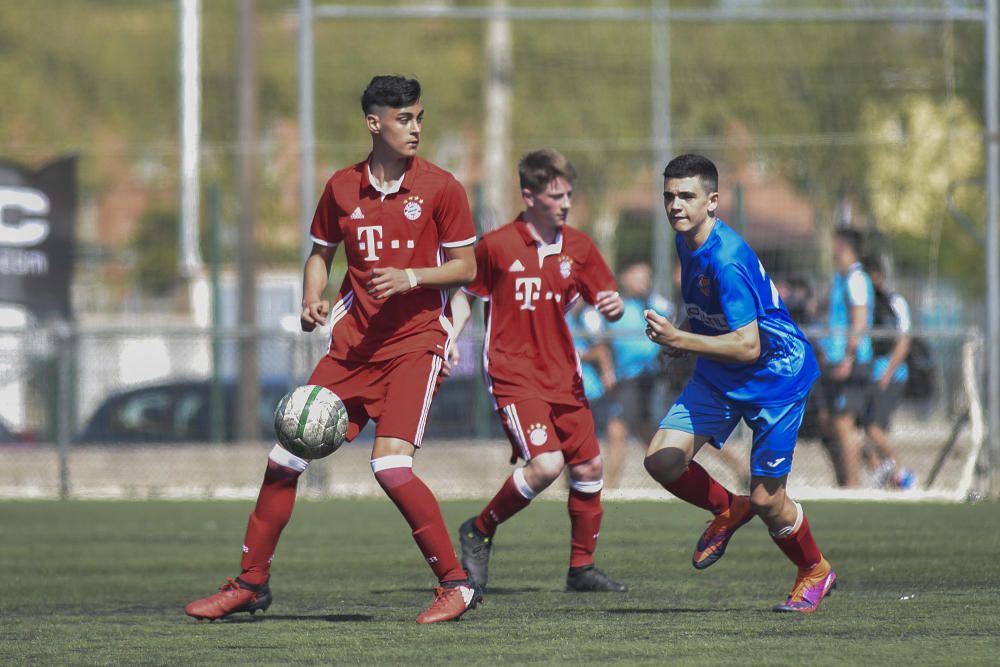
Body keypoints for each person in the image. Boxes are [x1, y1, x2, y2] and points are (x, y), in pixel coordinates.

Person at [185, 76, 482, 624]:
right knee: (284, 457)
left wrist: (414, 276)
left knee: (390, 465)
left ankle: (456, 585)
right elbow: (320, 253)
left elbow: (467, 266)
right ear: (374, 123)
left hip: (416, 344)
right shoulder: (342, 187)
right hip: (351, 350)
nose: (415, 128)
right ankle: (250, 583)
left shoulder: (442, 187)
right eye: (403, 119)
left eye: (419, 117)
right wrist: (310, 296)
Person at [642, 154, 836, 613]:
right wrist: (684, 331)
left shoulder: (726, 258)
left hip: (774, 377)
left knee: (770, 501)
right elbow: (703, 304)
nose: (675, 206)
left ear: (713, 201)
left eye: (686, 196)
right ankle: (729, 508)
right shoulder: (685, 239)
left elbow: (749, 345)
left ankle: (815, 569)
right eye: (669, 196)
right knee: (662, 461)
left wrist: (681, 338)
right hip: (721, 374)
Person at [448, 149, 628, 593]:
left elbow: (611, 301)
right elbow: (463, 294)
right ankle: (480, 529)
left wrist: (614, 305)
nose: (565, 203)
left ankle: (581, 569)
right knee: (546, 465)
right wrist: (449, 336)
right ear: (528, 196)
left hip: (563, 374)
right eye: (554, 195)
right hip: (514, 373)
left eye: (568, 194)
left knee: (588, 467)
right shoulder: (497, 245)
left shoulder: (580, 247)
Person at [600, 262, 675, 488]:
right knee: (649, 435)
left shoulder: (657, 305)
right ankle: (677, 477)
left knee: (617, 429)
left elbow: (675, 329)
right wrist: (607, 370)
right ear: (625, 278)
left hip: (649, 378)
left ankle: (609, 488)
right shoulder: (614, 307)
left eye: (647, 277)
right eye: (638, 276)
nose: (644, 282)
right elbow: (602, 343)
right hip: (628, 378)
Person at [818, 228, 875, 488]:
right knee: (830, 422)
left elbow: (859, 321)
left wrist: (848, 357)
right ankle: (859, 472)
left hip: (852, 361)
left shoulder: (856, 279)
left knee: (844, 422)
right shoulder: (840, 279)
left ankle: (854, 484)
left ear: (842, 246)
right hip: (836, 360)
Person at [862, 254, 916, 490]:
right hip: (869, 374)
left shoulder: (894, 303)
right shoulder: (866, 304)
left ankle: (902, 473)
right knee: (871, 434)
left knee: (872, 429)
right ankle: (885, 480)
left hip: (890, 376)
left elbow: (903, 341)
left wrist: (887, 373)